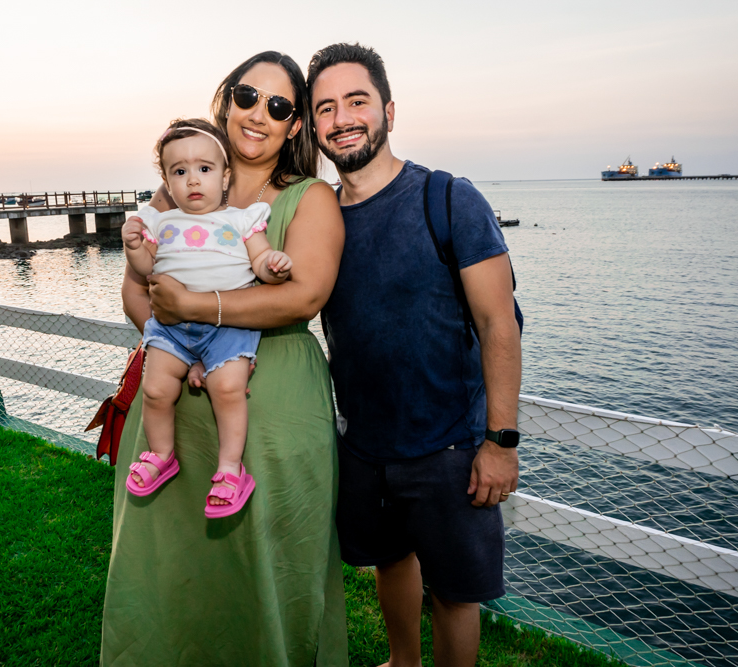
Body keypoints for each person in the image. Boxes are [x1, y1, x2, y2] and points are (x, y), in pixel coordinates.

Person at [101, 52, 348, 666]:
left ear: (295, 127)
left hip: (273, 406)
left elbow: (305, 295)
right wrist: (177, 348)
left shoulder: (308, 198)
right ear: (225, 100)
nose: (258, 114)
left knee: (269, 565)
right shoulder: (178, 187)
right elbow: (138, 289)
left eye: (279, 106)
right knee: (173, 571)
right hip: (176, 400)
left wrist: (197, 305)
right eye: (246, 96)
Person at [309, 43, 522, 666]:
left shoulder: (449, 199)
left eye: (357, 100)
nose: (343, 117)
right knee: (389, 561)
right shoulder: (317, 219)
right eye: (326, 107)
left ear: (389, 111)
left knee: (455, 594)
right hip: (364, 444)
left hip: (450, 448)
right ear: (315, 125)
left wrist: (499, 442)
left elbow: (499, 325)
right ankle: (403, 662)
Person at [123, 118, 293, 517]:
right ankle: (162, 454)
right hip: (171, 329)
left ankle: (232, 469)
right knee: (156, 390)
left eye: (204, 169)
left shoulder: (241, 219)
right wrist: (133, 247)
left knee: (228, 389)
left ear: (225, 176)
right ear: (167, 181)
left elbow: (260, 263)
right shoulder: (161, 222)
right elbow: (147, 268)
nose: (193, 180)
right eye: (179, 172)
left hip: (228, 326)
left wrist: (274, 264)